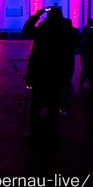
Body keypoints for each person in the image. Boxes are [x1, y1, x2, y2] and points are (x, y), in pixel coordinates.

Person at [22, 8, 78, 141]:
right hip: (58, 73)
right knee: (54, 104)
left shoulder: (43, 30)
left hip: (41, 72)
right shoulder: (68, 31)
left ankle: (35, 132)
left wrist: (37, 15)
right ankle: (51, 132)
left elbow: (26, 30)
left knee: (36, 105)